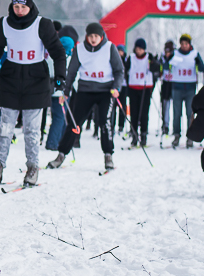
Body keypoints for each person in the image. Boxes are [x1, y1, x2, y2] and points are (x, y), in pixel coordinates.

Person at [0, 0, 66, 186]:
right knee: (5, 127)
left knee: (32, 130)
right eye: (16, 5)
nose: (19, 10)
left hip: (35, 79)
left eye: (23, 6)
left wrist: (61, 76)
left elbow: (58, 51)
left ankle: (32, 168)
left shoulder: (42, 24)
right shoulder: (4, 23)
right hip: (11, 77)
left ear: (30, 5)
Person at [48, 23, 124, 172]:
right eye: (91, 36)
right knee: (74, 123)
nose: (94, 39)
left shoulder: (109, 48)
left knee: (105, 122)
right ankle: (61, 154)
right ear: (87, 36)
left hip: (105, 91)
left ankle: (108, 155)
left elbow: (119, 70)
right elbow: (71, 72)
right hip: (85, 90)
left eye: (96, 36)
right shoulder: (80, 49)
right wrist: (66, 92)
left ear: (101, 36)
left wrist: (117, 87)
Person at [167, 34, 204, 148]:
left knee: (190, 113)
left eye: (186, 44)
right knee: (177, 113)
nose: (184, 46)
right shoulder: (175, 54)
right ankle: (177, 135)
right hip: (177, 87)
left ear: (189, 44)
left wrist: (199, 61)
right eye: (182, 44)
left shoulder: (195, 54)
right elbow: (165, 67)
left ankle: (190, 137)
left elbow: (203, 69)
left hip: (190, 87)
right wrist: (168, 59)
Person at [123, 38, 159, 148]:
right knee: (134, 113)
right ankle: (134, 135)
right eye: (137, 49)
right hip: (133, 88)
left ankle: (143, 136)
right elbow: (125, 69)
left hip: (145, 88)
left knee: (144, 114)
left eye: (141, 49)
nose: (139, 51)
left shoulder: (149, 58)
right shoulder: (131, 58)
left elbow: (156, 68)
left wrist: (153, 62)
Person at [45, 36, 75, 151]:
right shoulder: (67, 59)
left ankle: (58, 140)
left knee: (58, 117)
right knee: (59, 118)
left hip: (51, 90)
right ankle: (52, 142)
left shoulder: (51, 56)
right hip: (61, 92)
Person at [160, 40, 175, 137]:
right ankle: (165, 125)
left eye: (169, 52)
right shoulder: (162, 58)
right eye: (166, 51)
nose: (167, 54)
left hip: (174, 83)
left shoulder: (176, 57)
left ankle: (175, 127)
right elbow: (162, 68)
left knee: (175, 106)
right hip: (165, 83)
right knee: (165, 105)